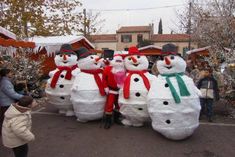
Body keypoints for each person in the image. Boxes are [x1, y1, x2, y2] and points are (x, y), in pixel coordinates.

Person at [0, 68, 24, 132]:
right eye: (10, 73)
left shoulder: (6, 81)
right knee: (4, 119)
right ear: (6, 74)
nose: (12, 74)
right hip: (6, 104)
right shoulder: (5, 83)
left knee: (6, 118)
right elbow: (12, 94)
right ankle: (4, 132)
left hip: (6, 103)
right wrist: (23, 97)